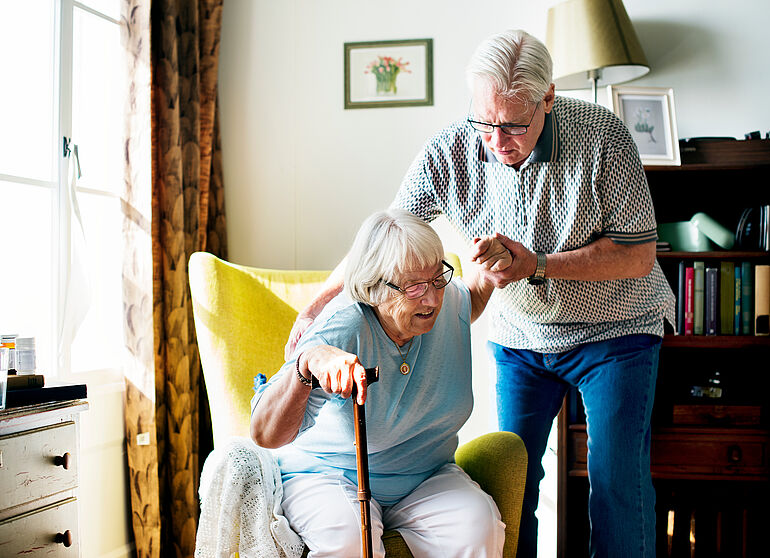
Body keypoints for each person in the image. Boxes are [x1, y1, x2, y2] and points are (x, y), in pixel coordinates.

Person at [286, 30, 675, 558]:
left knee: (614, 482)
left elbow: (638, 254)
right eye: (485, 121)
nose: (496, 140)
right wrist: (315, 304)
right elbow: (384, 239)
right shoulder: (452, 148)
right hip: (521, 335)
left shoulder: (603, 136)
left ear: (549, 99)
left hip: (616, 329)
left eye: (514, 125)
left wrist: (537, 263)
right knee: (514, 481)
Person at [251, 208, 511, 558]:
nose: (432, 299)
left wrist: (491, 266)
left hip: (425, 475)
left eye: (437, 278)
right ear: (373, 289)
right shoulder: (342, 328)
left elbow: (469, 302)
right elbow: (265, 434)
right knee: (349, 543)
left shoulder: (446, 301)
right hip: (330, 474)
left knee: (478, 528)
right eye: (414, 287)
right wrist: (307, 364)